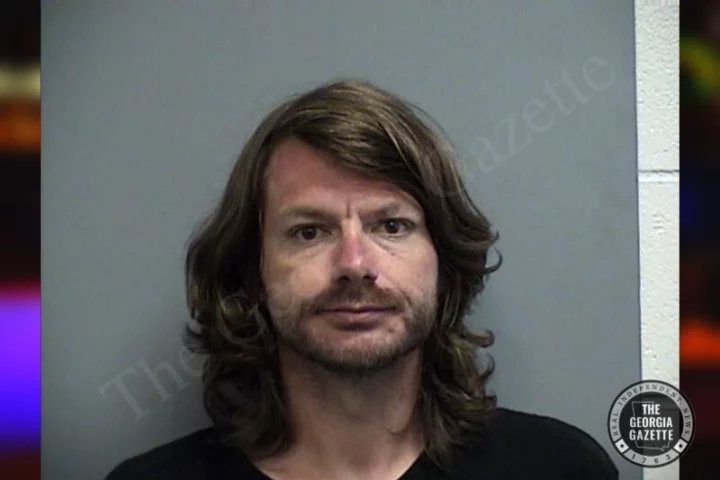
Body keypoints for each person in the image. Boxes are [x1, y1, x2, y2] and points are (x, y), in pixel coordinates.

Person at [106, 79, 618, 479]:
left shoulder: (560, 470)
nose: (354, 263)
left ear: (444, 262)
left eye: (391, 226)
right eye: (309, 232)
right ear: (251, 271)